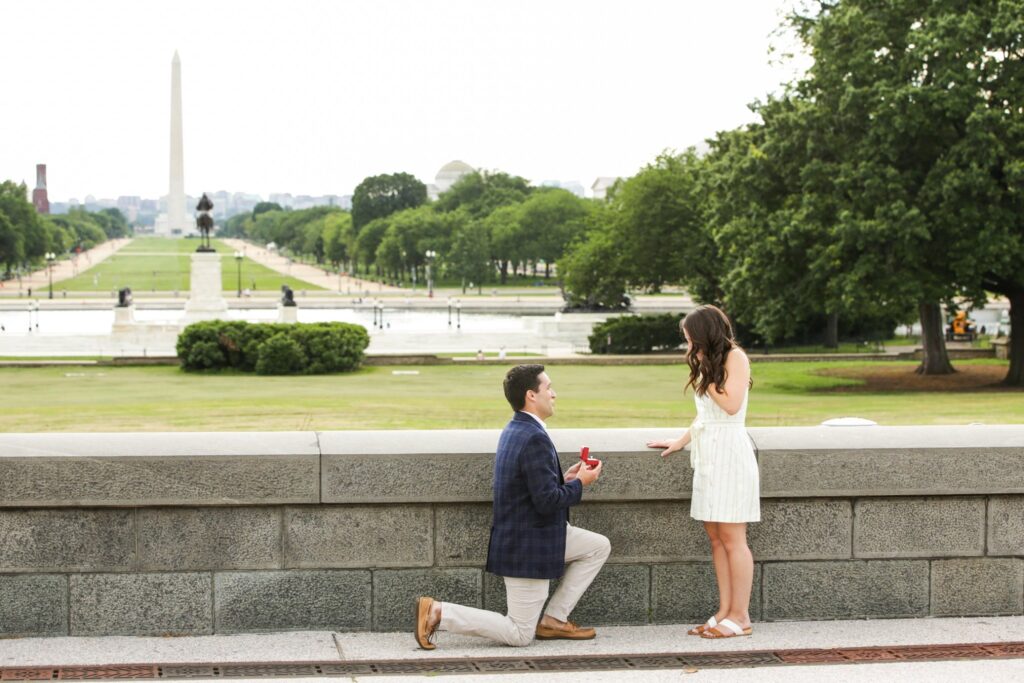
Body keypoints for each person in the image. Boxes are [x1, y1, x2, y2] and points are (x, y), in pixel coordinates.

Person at [415, 364, 610, 649]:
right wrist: (581, 483)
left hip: (534, 533)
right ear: (532, 395)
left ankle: (555, 619)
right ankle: (439, 612)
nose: (554, 394)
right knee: (519, 634)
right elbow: (546, 502)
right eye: (549, 388)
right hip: (529, 544)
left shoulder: (518, 427)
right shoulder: (533, 437)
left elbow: (535, 488)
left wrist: (565, 479)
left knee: (597, 546)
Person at [647, 305, 760, 640]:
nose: (689, 347)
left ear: (706, 334)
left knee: (733, 538)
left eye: (691, 339)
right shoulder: (707, 362)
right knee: (715, 538)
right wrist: (680, 441)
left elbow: (731, 405)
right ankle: (725, 610)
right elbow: (705, 417)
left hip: (730, 456)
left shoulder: (734, 357)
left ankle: (741, 615)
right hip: (708, 455)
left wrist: (706, 371)